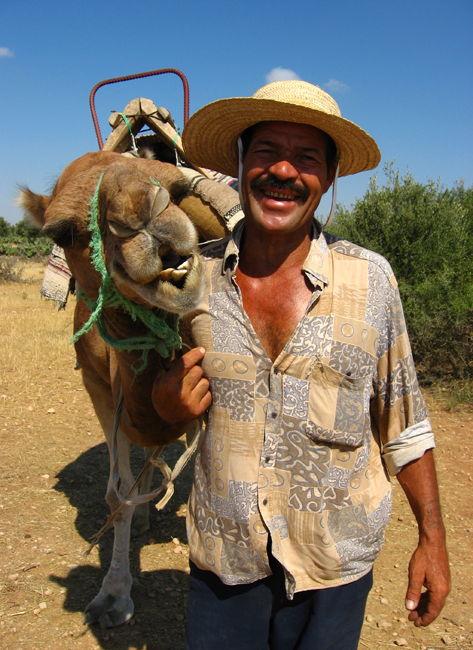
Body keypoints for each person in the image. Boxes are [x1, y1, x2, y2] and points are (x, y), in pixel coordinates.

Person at [152, 80, 451, 650]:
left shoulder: (372, 281)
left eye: (307, 157)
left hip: (333, 565)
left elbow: (405, 424)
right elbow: (161, 402)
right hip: (225, 560)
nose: (283, 171)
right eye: (266, 152)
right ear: (240, 165)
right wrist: (165, 407)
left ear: (330, 177)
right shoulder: (191, 279)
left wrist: (432, 540)